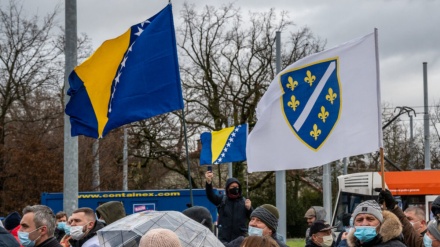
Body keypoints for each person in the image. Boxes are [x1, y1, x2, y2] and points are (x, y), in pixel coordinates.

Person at [205, 171, 253, 243]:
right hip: (224, 239)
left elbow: (253, 217)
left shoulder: (244, 202)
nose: (235, 189)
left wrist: (249, 208)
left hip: (240, 240)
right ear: (228, 188)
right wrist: (208, 183)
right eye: (233, 187)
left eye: (237, 187)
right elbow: (210, 196)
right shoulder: (222, 200)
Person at [337, 200, 406, 247]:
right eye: (359, 220)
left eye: (370, 219)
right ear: (353, 224)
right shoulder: (350, 245)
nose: (364, 223)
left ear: (380, 222)